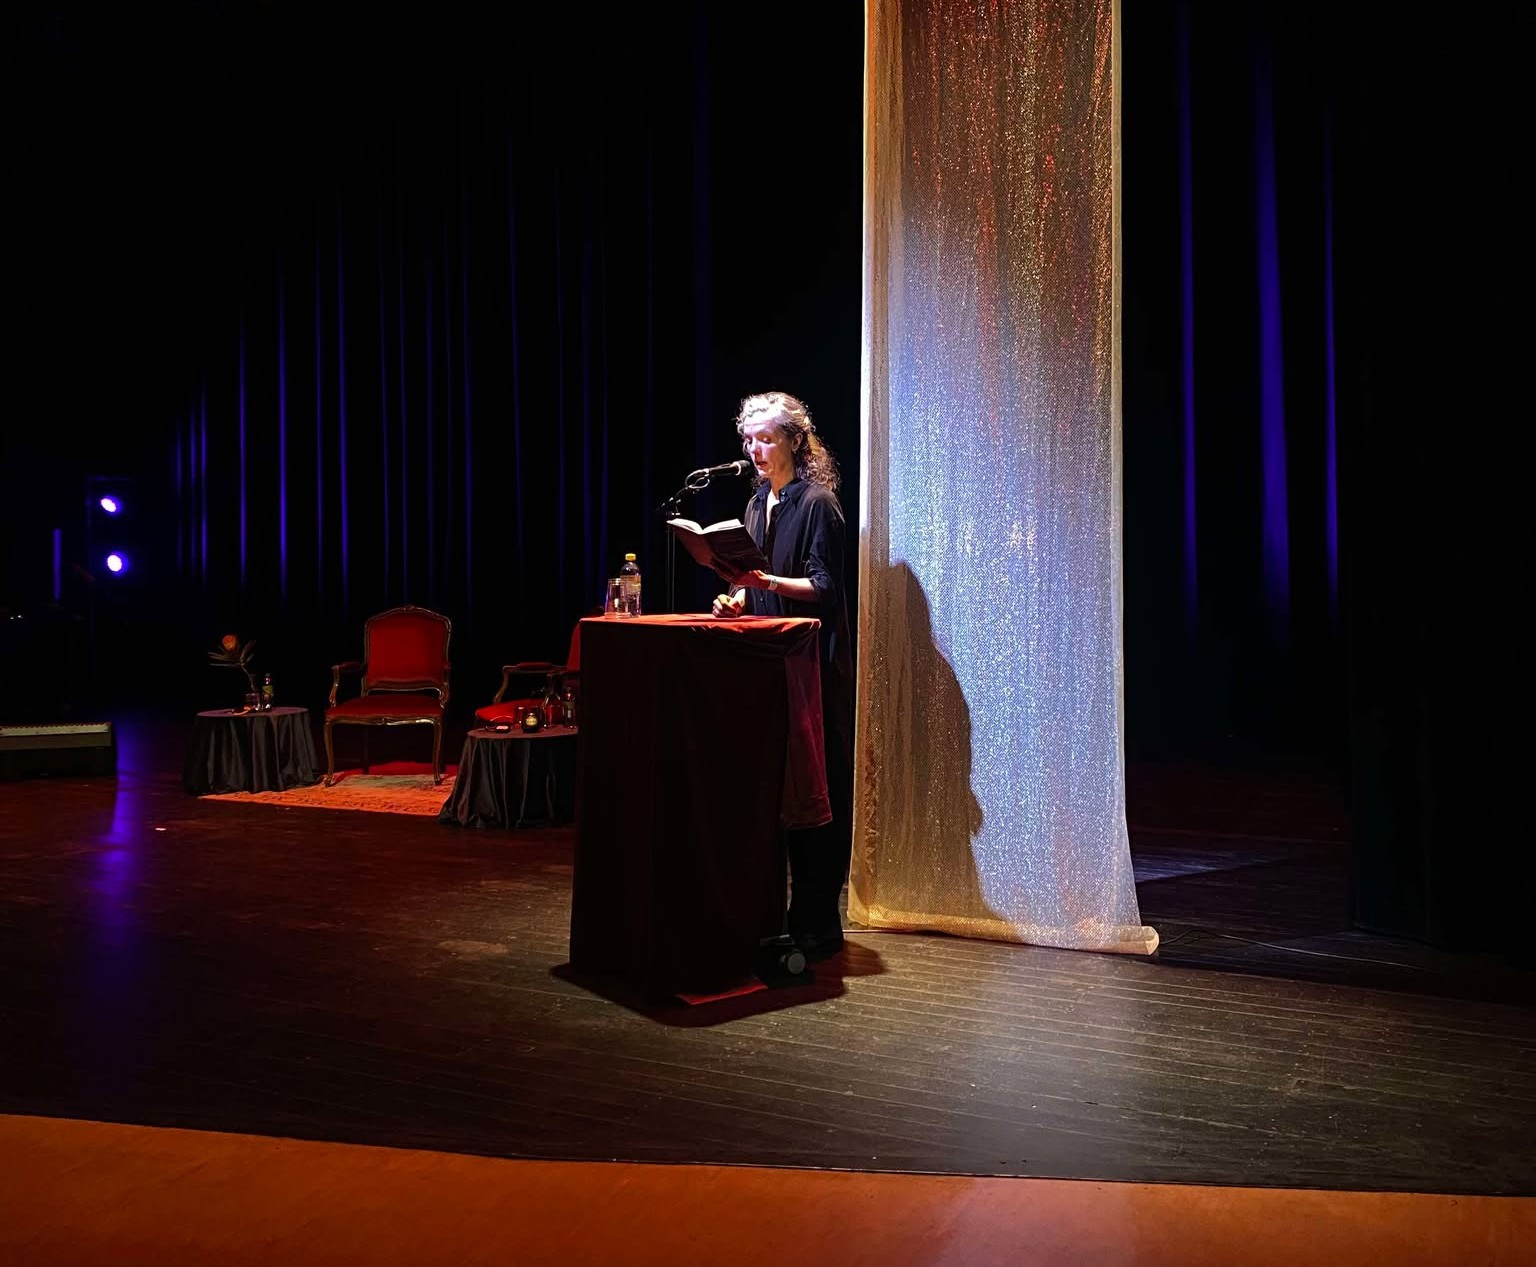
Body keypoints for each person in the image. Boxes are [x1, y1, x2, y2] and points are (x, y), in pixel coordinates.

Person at [712, 391, 853, 961]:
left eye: (766, 439)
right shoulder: (756, 504)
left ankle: (818, 924)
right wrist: (737, 599)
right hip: (770, 665)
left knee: (816, 794)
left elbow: (824, 588)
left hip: (813, 667)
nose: (755, 450)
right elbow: (753, 582)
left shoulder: (818, 503)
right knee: (779, 795)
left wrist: (764, 583)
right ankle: (776, 917)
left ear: (795, 440)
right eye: (749, 440)